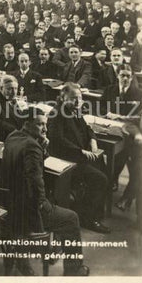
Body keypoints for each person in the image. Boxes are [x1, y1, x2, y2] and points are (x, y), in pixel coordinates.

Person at [0, 107, 90, 276]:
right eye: (40, 124)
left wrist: (42, 148)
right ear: (27, 124)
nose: (45, 129)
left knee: (55, 203)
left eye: (45, 124)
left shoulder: (12, 136)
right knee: (71, 218)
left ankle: (29, 257)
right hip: (27, 212)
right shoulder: (32, 146)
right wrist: (44, 205)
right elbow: (35, 182)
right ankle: (74, 269)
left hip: (9, 204)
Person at [47, 83, 110, 234]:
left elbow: (87, 128)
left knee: (103, 168)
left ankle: (89, 209)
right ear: (62, 98)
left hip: (79, 156)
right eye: (73, 99)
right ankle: (88, 218)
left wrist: (93, 139)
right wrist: (80, 150)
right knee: (100, 179)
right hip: (67, 160)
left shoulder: (74, 110)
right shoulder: (56, 113)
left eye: (80, 98)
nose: (78, 102)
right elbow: (57, 139)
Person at [0, 75, 27, 141]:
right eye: (9, 89)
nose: (14, 92)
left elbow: (17, 116)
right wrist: (18, 132)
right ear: (1, 88)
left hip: (15, 135)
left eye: (16, 88)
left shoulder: (10, 97)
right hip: (4, 138)